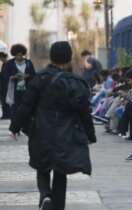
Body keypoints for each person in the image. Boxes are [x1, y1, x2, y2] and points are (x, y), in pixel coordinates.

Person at [9, 41, 96, 210]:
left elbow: (26, 106)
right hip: (66, 134)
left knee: (42, 166)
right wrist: (90, 134)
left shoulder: (39, 78)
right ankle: (58, 206)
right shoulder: (76, 82)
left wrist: (15, 126)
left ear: (51, 56)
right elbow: (84, 112)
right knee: (60, 171)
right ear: (69, 58)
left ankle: (45, 195)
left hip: (42, 130)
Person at [5, 44, 36, 119]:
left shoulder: (28, 63)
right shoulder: (10, 63)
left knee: (25, 108)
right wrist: (14, 77)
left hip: (26, 90)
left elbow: (34, 75)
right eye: (17, 55)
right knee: (14, 109)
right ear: (14, 55)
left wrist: (27, 76)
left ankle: (24, 125)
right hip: (14, 91)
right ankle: (14, 127)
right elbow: (6, 76)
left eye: (21, 55)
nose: (19, 57)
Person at [0, 47, 10, 119]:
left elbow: (6, 75)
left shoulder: (8, 64)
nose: (1, 60)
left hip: (6, 85)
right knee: (3, 101)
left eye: (1, 58)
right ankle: (5, 114)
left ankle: (7, 114)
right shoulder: (4, 64)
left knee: (5, 101)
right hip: (3, 85)